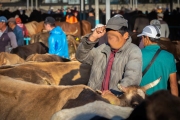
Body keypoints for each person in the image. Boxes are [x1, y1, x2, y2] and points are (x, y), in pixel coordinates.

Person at [75, 15, 142, 95]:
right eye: (109, 35)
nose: (110, 39)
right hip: (95, 99)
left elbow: (132, 78)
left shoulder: (133, 51)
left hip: (117, 102)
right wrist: (92, 38)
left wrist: (113, 94)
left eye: (114, 36)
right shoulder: (102, 49)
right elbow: (81, 57)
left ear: (125, 35)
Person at [137, 25, 178, 96]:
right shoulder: (169, 56)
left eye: (142, 37)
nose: (142, 40)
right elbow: (173, 84)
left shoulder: (137, 54)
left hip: (142, 100)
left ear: (146, 37)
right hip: (161, 100)